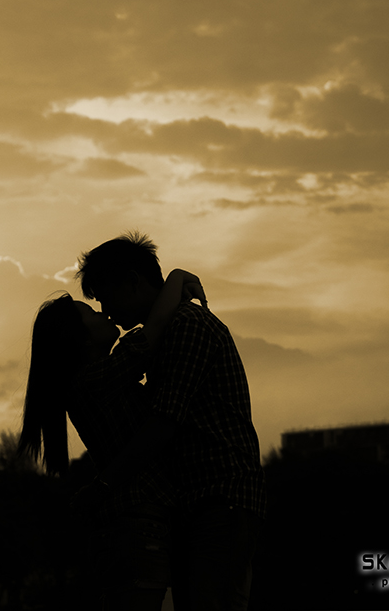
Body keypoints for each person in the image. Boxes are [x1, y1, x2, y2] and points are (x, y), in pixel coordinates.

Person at [76, 231, 266, 611]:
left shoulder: (185, 326)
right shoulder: (166, 333)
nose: (107, 311)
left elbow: (164, 422)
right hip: (200, 503)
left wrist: (102, 485)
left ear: (131, 282)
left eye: (104, 296)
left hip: (220, 498)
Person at [18, 268, 205, 610]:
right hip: (139, 529)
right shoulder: (96, 379)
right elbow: (154, 330)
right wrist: (176, 278)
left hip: (134, 528)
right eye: (90, 313)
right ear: (80, 338)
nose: (102, 311)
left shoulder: (91, 384)